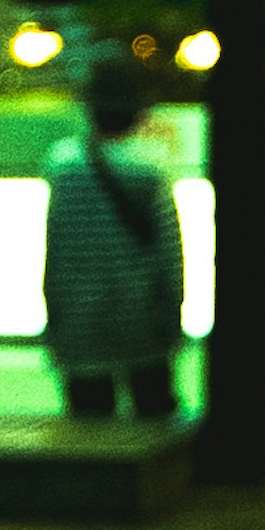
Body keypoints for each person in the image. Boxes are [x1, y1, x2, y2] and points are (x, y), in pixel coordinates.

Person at [42, 68, 184, 416]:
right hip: (142, 321)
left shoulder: (62, 164)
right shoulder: (151, 166)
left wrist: (53, 313)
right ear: (138, 113)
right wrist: (173, 313)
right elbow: (169, 253)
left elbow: (55, 249)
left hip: (80, 322)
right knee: (153, 422)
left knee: (90, 428)